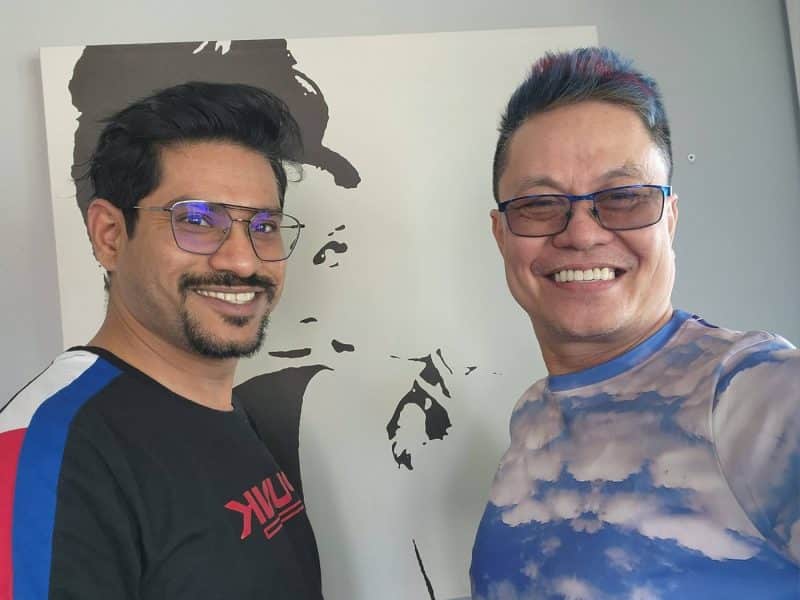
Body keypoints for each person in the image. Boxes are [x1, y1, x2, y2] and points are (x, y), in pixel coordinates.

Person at [470, 48, 799, 599]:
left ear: (669, 219)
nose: (581, 234)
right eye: (539, 204)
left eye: (624, 198)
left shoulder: (756, 394)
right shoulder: (532, 414)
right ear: (502, 234)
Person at [0, 82, 322, 599]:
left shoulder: (228, 410)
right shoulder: (49, 450)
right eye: (196, 220)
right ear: (110, 235)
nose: (243, 261)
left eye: (263, 225)